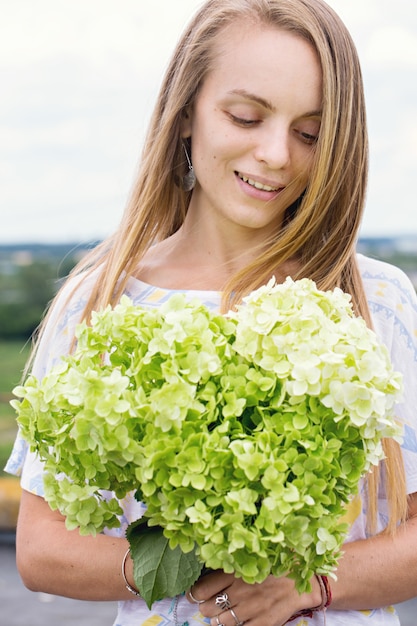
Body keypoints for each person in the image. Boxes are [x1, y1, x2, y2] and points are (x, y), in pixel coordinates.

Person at [5, 0, 417, 624]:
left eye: (310, 133)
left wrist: (306, 585)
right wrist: (198, 563)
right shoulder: (103, 300)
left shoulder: (374, 303)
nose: (276, 154)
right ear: (185, 115)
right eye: (246, 117)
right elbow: (40, 549)